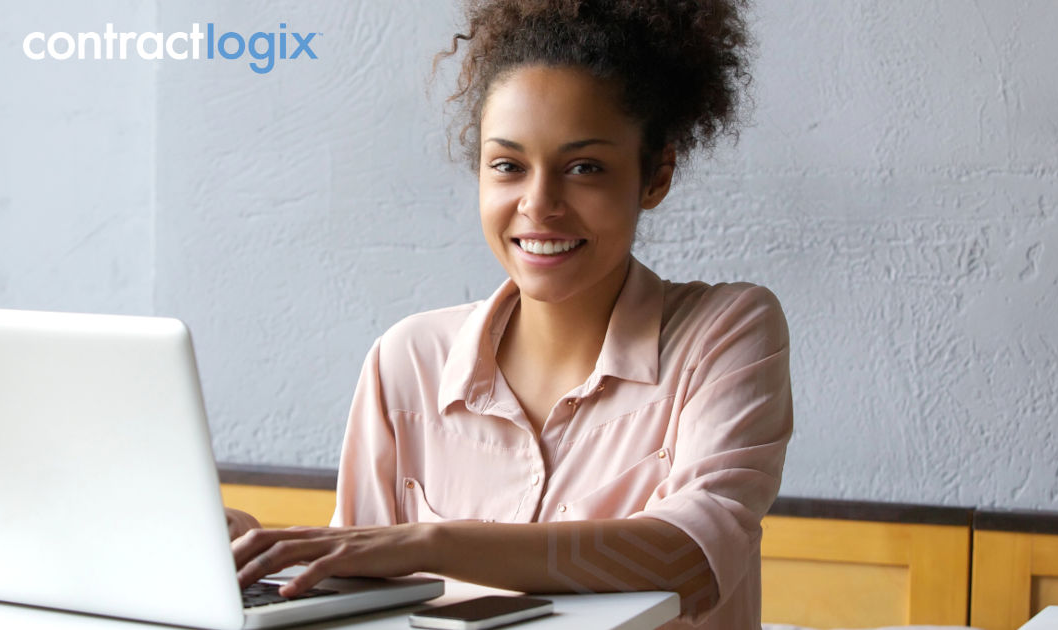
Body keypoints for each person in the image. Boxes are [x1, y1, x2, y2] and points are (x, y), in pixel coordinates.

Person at [227, 1, 792, 628]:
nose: (539, 203)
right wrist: (254, 551)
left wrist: (432, 543)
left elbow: (690, 555)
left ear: (655, 176)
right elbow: (359, 588)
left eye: (584, 168)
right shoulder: (407, 359)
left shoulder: (726, 331)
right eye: (508, 166)